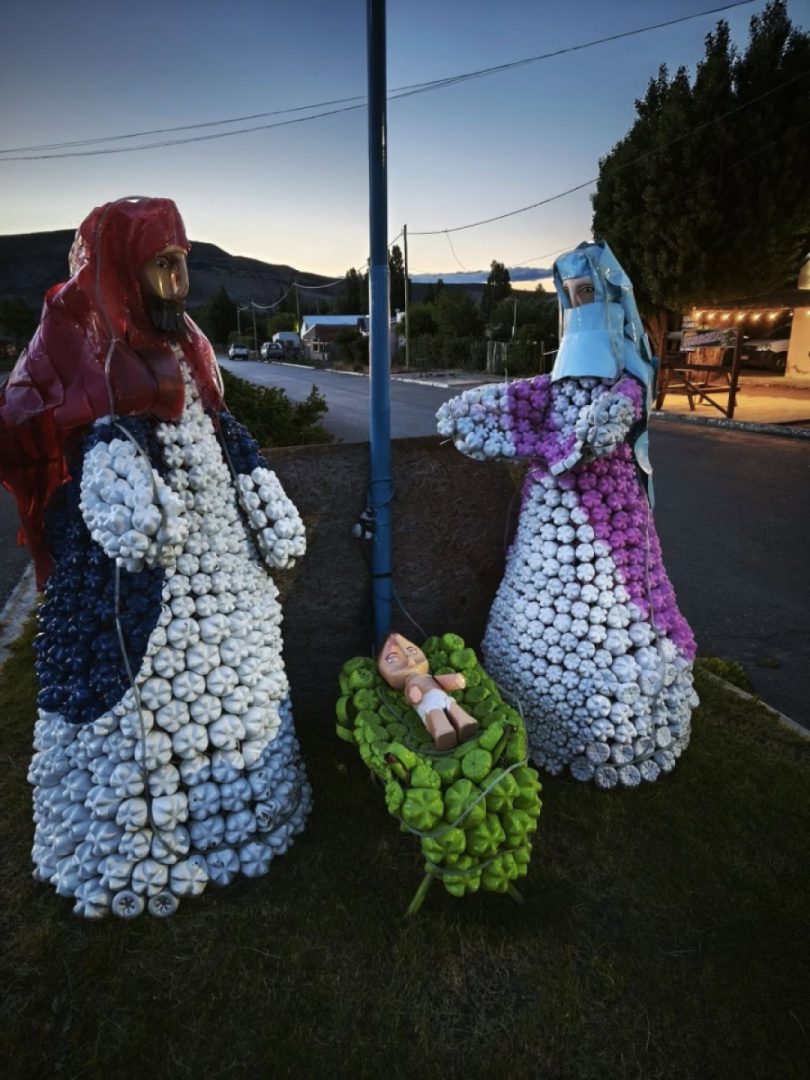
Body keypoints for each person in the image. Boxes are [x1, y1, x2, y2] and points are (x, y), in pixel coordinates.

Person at [0, 196, 312, 916]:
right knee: (135, 689)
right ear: (122, 270)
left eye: (182, 263)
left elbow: (224, 431)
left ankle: (256, 803)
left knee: (238, 677)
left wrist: (261, 494)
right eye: (162, 265)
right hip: (135, 594)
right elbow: (97, 445)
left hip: (224, 579)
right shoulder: (89, 356)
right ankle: (132, 844)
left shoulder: (190, 352)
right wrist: (125, 493)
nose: (180, 282)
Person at [436, 241, 697, 788]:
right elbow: (518, 401)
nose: (580, 304)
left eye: (588, 293)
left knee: (620, 595)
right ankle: (528, 705)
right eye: (572, 295)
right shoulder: (555, 383)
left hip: (612, 515)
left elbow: (618, 416)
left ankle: (615, 723)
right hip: (547, 520)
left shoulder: (629, 376)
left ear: (611, 297)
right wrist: (471, 408)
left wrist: (603, 422)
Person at [377, 633, 478, 750]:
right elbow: (413, 698)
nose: (410, 661)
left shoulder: (429, 677)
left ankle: (466, 725)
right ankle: (444, 735)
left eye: (412, 651)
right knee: (437, 719)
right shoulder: (410, 685)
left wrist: (454, 680)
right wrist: (413, 694)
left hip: (444, 698)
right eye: (393, 659)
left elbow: (440, 681)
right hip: (429, 705)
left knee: (455, 709)